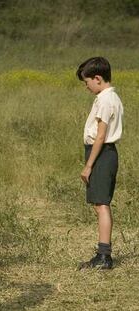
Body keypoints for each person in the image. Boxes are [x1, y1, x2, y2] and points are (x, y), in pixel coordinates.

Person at [76, 57, 123, 269]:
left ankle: (104, 255)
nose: (86, 87)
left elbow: (101, 136)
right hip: (102, 153)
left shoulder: (105, 100)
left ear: (97, 78)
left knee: (101, 204)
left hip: (102, 153)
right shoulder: (109, 98)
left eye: (87, 82)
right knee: (99, 204)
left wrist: (88, 165)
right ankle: (103, 253)